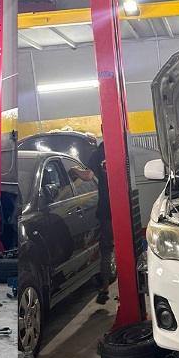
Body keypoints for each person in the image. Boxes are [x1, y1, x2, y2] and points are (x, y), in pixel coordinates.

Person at [71, 131, 113, 305]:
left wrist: (73, 170)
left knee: (106, 249)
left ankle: (105, 288)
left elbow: (88, 176)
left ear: (103, 130)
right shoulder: (121, 150)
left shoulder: (98, 153)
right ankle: (132, 285)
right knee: (126, 247)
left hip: (106, 208)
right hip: (123, 207)